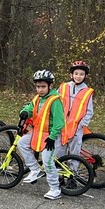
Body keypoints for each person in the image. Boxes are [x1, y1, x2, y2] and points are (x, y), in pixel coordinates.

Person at [18, 69, 67, 200]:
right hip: (38, 133)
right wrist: (24, 112)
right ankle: (35, 169)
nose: (40, 90)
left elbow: (59, 122)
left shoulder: (54, 100)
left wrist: (52, 137)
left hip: (51, 136)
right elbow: (30, 108)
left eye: (43, 87)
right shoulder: (37, 98)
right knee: (22, 143)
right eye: (38, 87)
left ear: (50, 86)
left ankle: (55, 189)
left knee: (47, 161)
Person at [57, 60, 95, 156]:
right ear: (71, 75)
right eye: (76, 74)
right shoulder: (64, 87)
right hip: (61, 125)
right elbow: (54, 102)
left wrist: (82, 124)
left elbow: (89, 111)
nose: (78, 76)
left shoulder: (87, 92)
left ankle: (73, 170)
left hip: (76, 127)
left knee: (74, 151)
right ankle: (58, 169)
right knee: (58, 149)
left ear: (85, 76)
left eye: (81, 74)